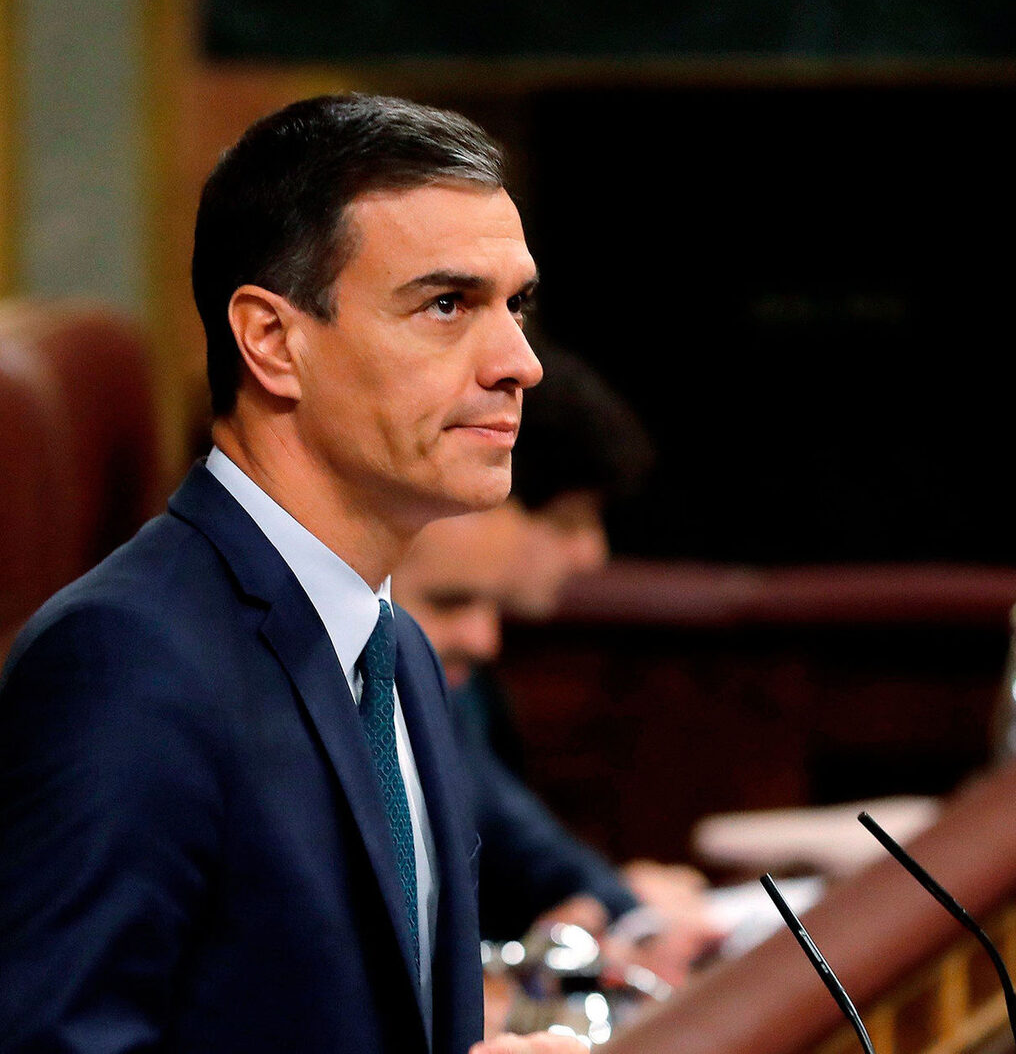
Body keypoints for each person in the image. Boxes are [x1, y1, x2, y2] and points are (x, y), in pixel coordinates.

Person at [0, 94, 582, 1054]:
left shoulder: (397, 650)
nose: (520, 363)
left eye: (512, 305)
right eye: (446, 304)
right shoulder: (125, 660)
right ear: (272, 341)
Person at [391, 345, 720, 991]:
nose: (592, 554)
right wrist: (622, 906)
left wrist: (610, 905)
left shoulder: (454, 668)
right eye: (567, 520)